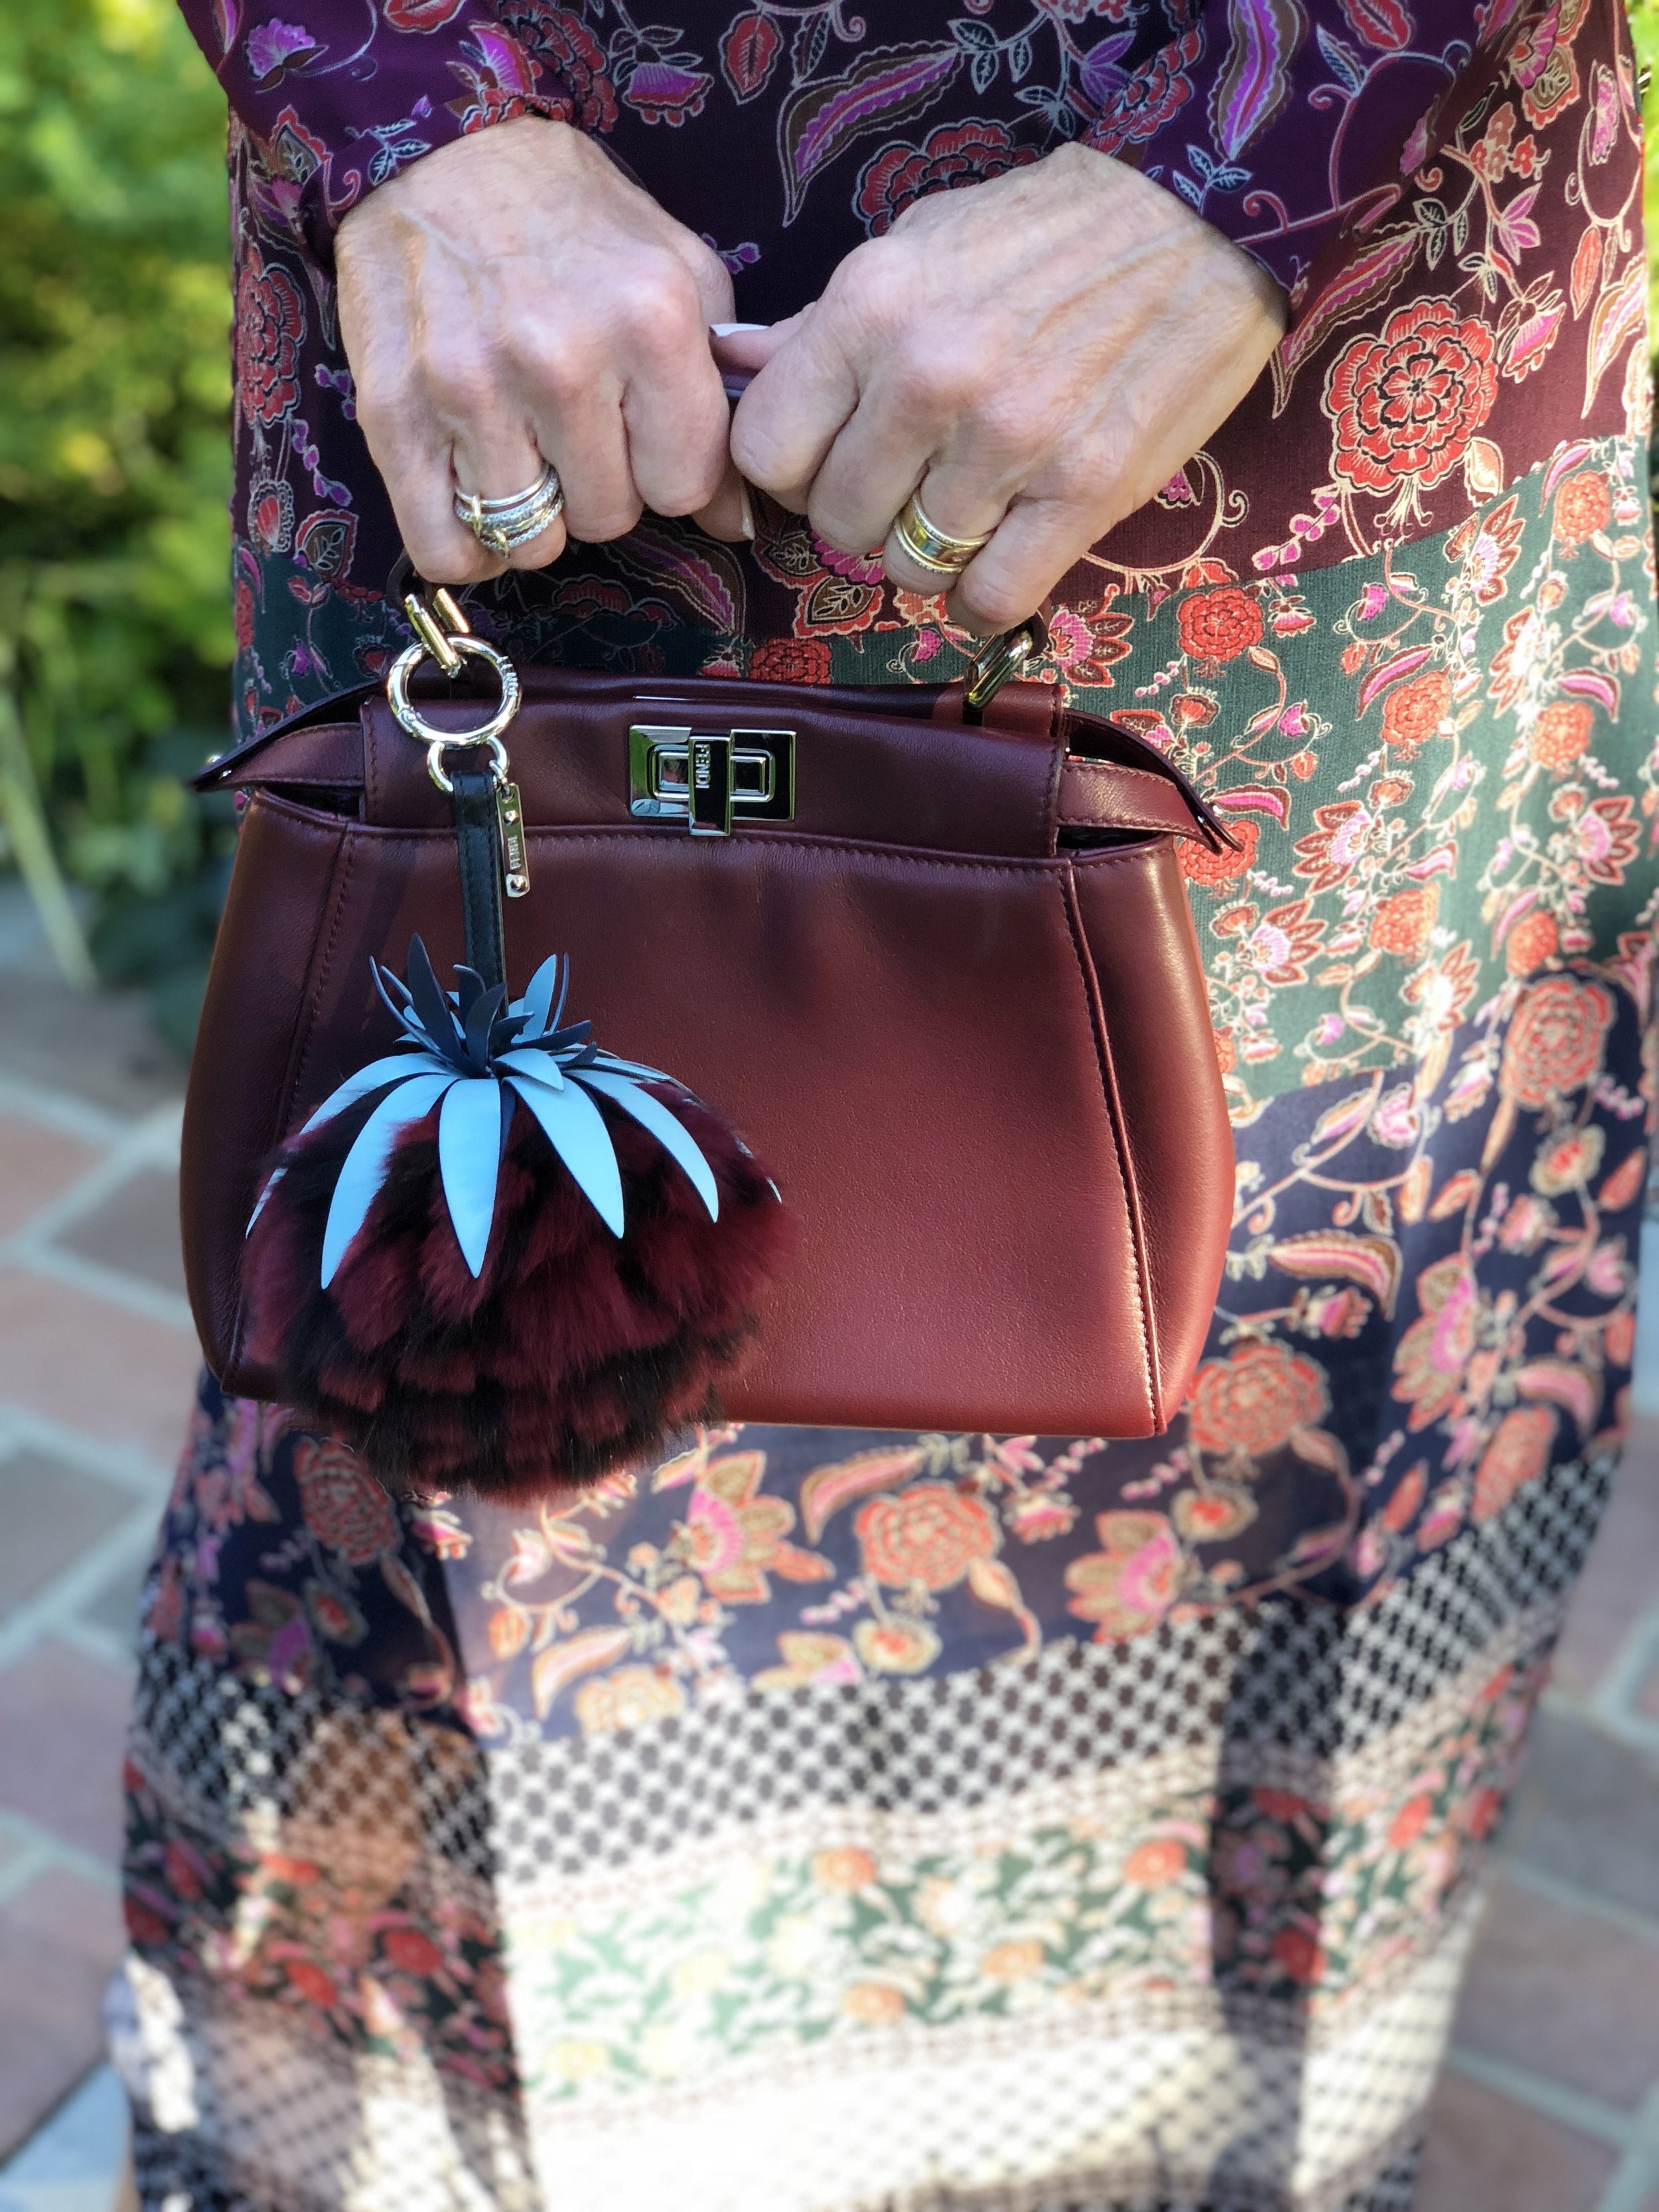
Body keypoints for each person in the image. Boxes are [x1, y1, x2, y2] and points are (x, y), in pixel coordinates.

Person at [109, 0, 1656, 2203]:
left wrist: (1237, 166)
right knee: (437, 1358)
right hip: (524, 359)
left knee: (1293, 1373)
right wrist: (402, 111)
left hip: (1293, 403)